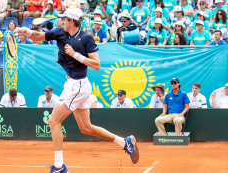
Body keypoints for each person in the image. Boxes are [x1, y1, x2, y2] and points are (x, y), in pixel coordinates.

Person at [14, 8, 139, 172]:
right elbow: (38, 36)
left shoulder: (86, 38)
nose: (61, 21)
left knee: (53, 121)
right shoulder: (60, 32)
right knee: (86, 127)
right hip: (77, 85)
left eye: (64, 19)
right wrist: (27, 31)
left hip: (78, 86)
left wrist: (75, 55)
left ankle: (59, 166)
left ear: (71, 21)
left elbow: (97, 64)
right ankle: (124, 142)